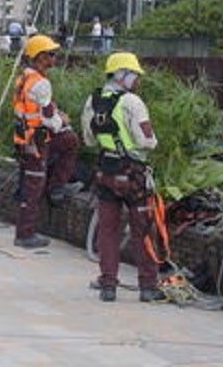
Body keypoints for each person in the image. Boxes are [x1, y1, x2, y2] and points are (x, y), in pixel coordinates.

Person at [81, 52, 163, 303]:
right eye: (134, 75)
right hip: (133, 174)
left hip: (106, 171)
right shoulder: (132, 103)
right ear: (122, 75)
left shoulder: (92, 101)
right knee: (144, 230)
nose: (137, 80)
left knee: (107, 230)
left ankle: (108, 285)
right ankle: (148, 286)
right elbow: (147, 141)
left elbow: (88, 139)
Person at [11, 34, 82, 249]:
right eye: (51, 54)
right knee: (33, 187)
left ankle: (57, 186)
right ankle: (25, 234)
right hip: (36, 141)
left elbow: (37, 110)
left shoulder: (24, 78)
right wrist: (63, 121)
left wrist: (56, 118)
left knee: (70, 141)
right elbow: (50, 119)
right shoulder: (41, 84)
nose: (55, 57)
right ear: (40, 57)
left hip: (26, 137)